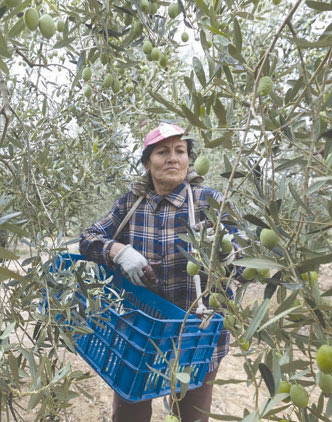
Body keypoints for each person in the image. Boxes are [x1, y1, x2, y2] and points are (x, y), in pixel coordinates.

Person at [79, 122, 245, 422]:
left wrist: (227, 252)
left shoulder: (209, 202)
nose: (173, 158)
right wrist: (119, 252)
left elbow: (250, 262)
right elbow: (88, 239)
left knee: (192, 416)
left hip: (197, 337)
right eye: (162, 151)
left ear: (188, 160)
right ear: (147, 162)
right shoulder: (131, 204)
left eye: (180, 151)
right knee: (129, 415)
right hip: (140, 334)